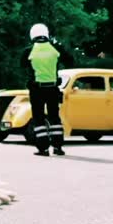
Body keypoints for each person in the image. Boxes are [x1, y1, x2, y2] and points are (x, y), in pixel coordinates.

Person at [21, 23, 74, 156]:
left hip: (36, 89)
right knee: (54, 118)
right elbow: (70, 60)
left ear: (32, 35)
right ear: (46, 33)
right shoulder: (55, 48)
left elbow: (22, 65)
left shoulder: (29, 50)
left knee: (39, 119)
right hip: (53, 88)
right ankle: (58, 147)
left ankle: (43, 148)